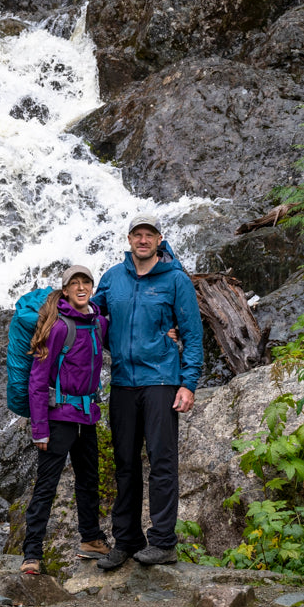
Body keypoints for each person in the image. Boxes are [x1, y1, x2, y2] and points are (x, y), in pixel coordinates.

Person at [92, 213, 203, 570]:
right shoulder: (112, 278)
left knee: (162, 461)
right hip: (123, 381)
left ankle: (164, 542)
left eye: (149, 234)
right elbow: (91, 317)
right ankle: (126, 540)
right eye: (137, 234)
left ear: (159, 240)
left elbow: (194, 335)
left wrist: (188, 382)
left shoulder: (176, 281)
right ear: (129, 240)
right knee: (124, 463)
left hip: (160, 380)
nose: (143, 240)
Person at [20, 265, 111, 574]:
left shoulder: (98, 323)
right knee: (46, 485)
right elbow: (37, 380)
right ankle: (32, 553)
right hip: (58, 418)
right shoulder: (58, 327)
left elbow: (125, 335)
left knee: (88, 481)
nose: (82, 287)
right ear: (66, 290)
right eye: (75, 283)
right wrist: (39, 429)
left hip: (86, 417)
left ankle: (90, 540)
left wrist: (168, 331)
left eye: (86, 282)